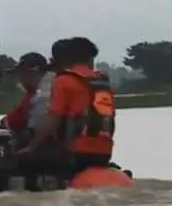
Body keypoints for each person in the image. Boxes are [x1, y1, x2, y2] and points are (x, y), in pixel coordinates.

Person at [20, 37, 117, 176]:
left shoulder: (64, 81)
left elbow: (54, 118)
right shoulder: (103, 83)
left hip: (75, 153)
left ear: (64, 59)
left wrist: (31, 147)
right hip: (105, 152)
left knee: (27, 164)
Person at [0, 51, 49, 135]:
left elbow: (15, 122)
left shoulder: (43, 94)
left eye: (22, 73)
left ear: (34, 73)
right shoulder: (31, 93)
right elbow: (12, 119)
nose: (19, 77)